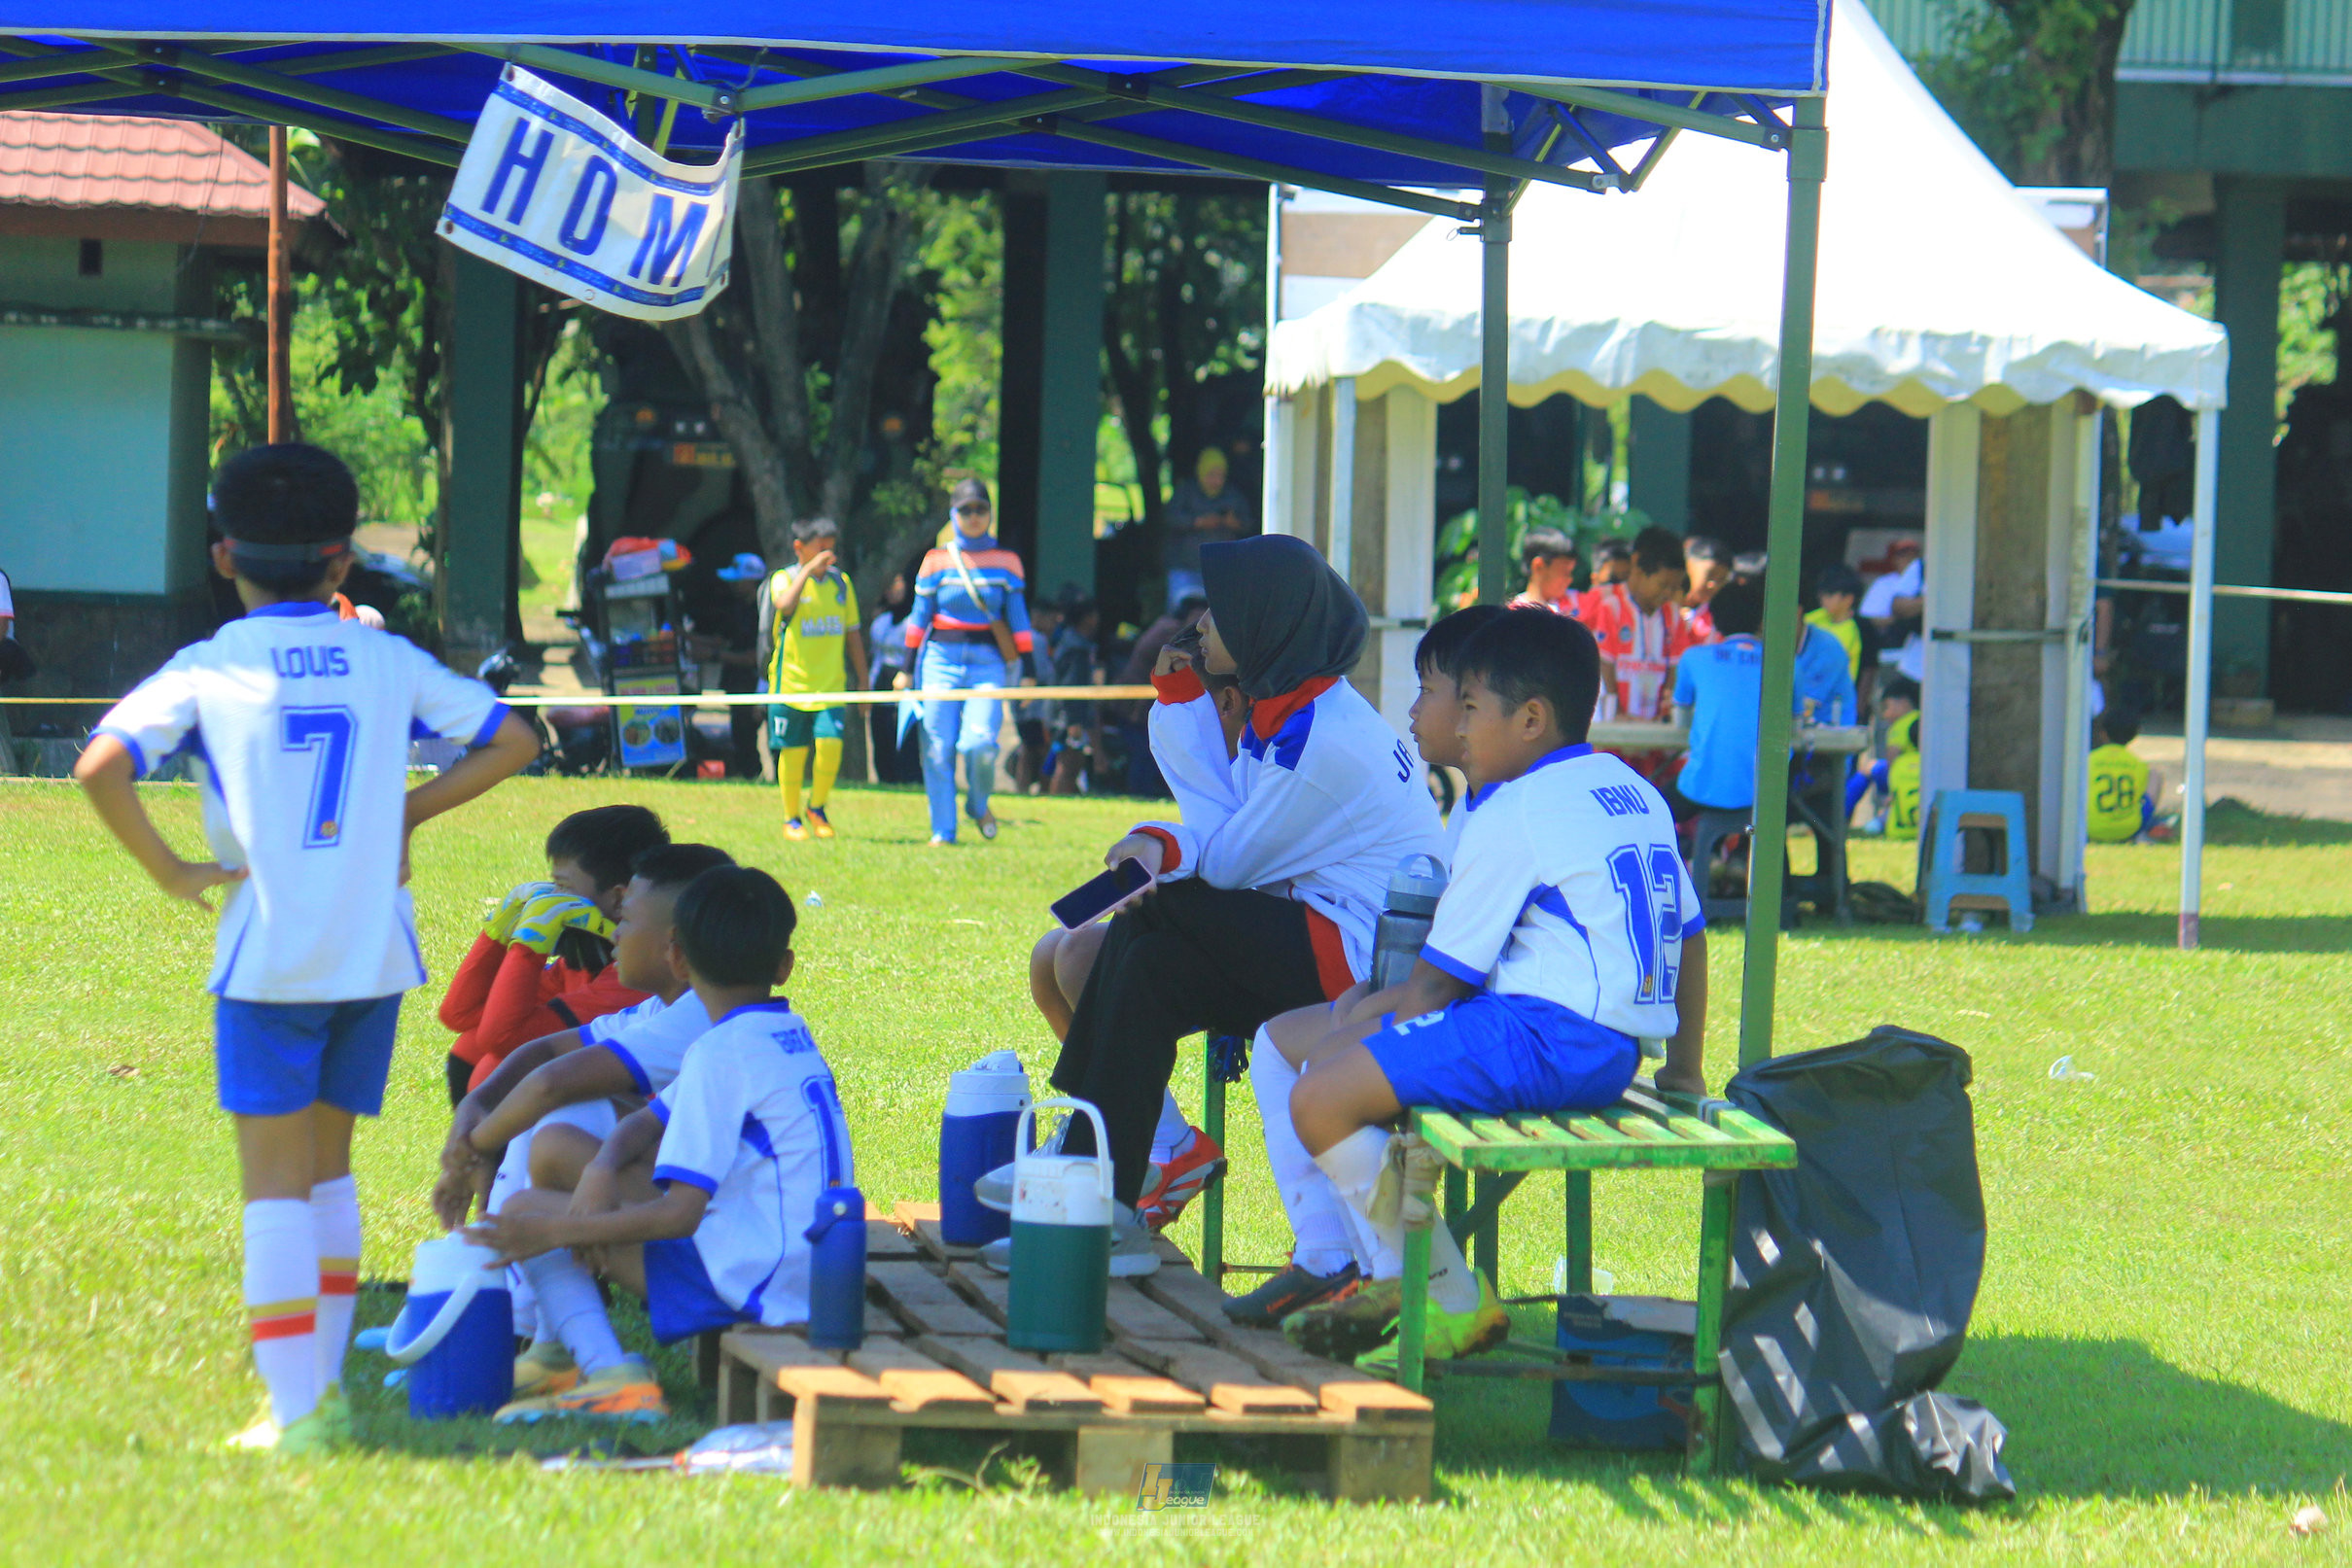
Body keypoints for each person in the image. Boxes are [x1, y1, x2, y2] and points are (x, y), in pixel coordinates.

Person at [73, 442, 539, 1453]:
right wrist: (406, 813)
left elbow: (101, 762)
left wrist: (171, 871)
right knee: (329, 1175)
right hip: (373, 951)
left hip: (271, 953)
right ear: (342, 561)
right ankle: (316, 1389)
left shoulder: (210, 664)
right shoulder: (387, 656)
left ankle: (298, 1414)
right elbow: (513, 738)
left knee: (273, 1190)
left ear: (221, 554)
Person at [1271, 609, 1705, 1376]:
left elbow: (1437, 981)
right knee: (1328, 1061)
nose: (1460, 727)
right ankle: (1411, 1284)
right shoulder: (1629, 788)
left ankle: (1430, 1291)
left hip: (1545, 1034)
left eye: (1470, 708)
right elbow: (1692, 936)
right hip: (1599, 1044)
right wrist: (1682, 1068)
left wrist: (1367, 1051)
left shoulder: (1517, 808)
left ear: (1530, 718)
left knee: (1319, 1098)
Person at [1007, 535, 1445, 1280]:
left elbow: (1231, 858)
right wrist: (1179, 734)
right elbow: (1227, 832)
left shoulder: (1320, 740)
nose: (1201, 624)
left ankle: (1094, 1184)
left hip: (1362, 966)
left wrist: (1158, 840)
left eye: (1221, 611)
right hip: (1319, 937)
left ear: (1265, 626)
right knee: (1145, 957)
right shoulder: (1295, 709)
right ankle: (1110, 1201)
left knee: (1157, 914)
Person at [470, 866, 851, 1423]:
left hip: (761, 1286)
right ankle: (561, 1353)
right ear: (784, 966)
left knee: (528, 1210)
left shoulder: (718, 1052)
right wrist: (601, 1166)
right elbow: (649, 1121)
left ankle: (610, 1378)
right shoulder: (781, 1033)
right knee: (557, 1150)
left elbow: (678, 1214)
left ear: (677, 959)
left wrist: (560, 1230)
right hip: (805, 1268)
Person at [436, 842, 736, 1399]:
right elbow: (546, 1055)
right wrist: (474, 1116)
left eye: (625, 921)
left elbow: (553, 1082)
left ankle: (535, 1332)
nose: (613, 934)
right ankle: (545, 1341)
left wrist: (468, 1152)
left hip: (723, 1254)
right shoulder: (665, 1007)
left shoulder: (698, 1017)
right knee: (550, 1122)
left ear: (674, 946)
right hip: (716, 1228)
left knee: (552, 1138)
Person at [438, 804, 670, 1102]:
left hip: (643, 1123)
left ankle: (481, 1148)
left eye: (562, 886)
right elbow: (460, 1014)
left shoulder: (632, 978)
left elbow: (503, 1039)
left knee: (496, 1068)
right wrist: (497, 931)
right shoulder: (584, 962)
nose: (550, 897)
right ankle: (472, 1147)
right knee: (470, 1049)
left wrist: (531, 941)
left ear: (617, 898)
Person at [893, 478, 1036, 846]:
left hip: (988, 663)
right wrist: (906, 669)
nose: (973, 517)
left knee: (980, 743)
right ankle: (943, 830)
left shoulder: (1008, 561)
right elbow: (918, 618)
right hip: (938, 659)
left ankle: (976, 804)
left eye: (980, 509)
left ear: (990, 513)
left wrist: (1029, 672)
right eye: (965, 510)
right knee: (937, 748)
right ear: (953, 514)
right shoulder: (935, 560)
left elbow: (1019, 622)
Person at [758, 518, 867, 843]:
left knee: (830, 745)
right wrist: (807, 572)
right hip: (790, 684)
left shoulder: (841, 584)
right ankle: (790, 817)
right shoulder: (784, 579)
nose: (828, 555)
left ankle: (817, 808)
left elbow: (853, 634)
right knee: (792, 752)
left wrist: (863, 680)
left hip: (831, 684)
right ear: (800, 548)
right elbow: (784, 605)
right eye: (821, 548)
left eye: (832, 547)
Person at [1581, 525, 1693, 723]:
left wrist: (1667, 713)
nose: (1668, 593)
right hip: (1614, 726)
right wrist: (1616, 713)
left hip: (1656, 729)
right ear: (1638, 567)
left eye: (1674, 588)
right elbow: (1602, 664)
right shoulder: (1606, 603)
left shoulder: (1673, 617)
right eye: (1662, 585)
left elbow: (1676, 669)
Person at [1163, 446, 1254, 610]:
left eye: (1221, 476)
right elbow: (1169, 518)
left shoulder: (1233, 495)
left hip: (1220, 571)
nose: (1217, 481)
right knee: (1179, 617)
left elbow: (1249, 525)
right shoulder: (1186, 491)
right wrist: (1197, 522)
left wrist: (1233, 523)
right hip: (1185, 569)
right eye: (1211, 475)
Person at [707, 552, 769, 777]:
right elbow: (723, 639)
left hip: (755, 682)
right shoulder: (738, 608)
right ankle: (751, 776)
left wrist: (716, 656)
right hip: (737, 683)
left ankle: (765, 777)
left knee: (765, 738)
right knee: (741, 736)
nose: (733, 585)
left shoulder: (763, 613)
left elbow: (755, 656)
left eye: (738, 580)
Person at [864, 557, 923, 784]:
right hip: (882, 685)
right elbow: (877, 657)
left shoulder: (916, 620)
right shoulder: (882, 621)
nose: (893, 589)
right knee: (882, 740)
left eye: (898, 582)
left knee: (907, 745)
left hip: (909, 687)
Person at [2089, 707, 2161, 843]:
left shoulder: (2089, 760)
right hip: (2128, 829)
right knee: (2155, 775)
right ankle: (2142, 830)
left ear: (2102, 733)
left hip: (2091, 827)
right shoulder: (2138, 765)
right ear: (2135, 735)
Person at [1861, 537, 1925, 684]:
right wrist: (1902, 617)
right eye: (1902, 555)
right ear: (1894, 559)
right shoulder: (1884, 583)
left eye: (1912, 554)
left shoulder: (1924, 577)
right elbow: (1868, 619)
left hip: (1917, 654)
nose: (1908, 559)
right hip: (1890, 653)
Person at [1806, 563, 1865, 684]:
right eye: (1822, 593)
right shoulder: (1818, 615)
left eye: (1830, 594)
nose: (1822, 598)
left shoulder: (1849, 632)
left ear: (1848, 599)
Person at [1511, 528, 1579, 611]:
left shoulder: (1574, 602)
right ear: (1539, 566)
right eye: (1565, 572)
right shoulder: (1516, 611)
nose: (1570, 579)